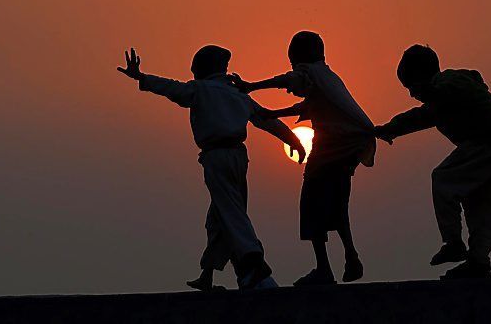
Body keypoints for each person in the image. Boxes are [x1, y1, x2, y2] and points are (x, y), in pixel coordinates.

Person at [116, 45, 306, 291]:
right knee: (218, 217)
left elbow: (171, 88)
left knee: (231, 212)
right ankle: (210, 274)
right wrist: (294, 141)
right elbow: (265, 119)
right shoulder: (237, 94)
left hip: (217, 157)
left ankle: (254, 263)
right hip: (238, 157)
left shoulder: (200, 90)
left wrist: (141, 78)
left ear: (202, 68)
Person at [233, 31, 375, 286]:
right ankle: (350, 255)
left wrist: (251, 86)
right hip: (350, 147)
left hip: (331, 148)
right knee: (338, 203)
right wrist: (272, 112)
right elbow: (308, 106)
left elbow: (291, 81)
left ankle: (324, 268)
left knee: (311, 204)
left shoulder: (309, 72)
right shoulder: (328, 77)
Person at [374, 45, 491, 280]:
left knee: (443, 178)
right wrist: (390, 129)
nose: (412, 93)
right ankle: (478, 261)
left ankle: (453, 242)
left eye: (411, 86)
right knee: (480, 203)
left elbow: (445, 93)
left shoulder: (450, 82)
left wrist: (430, 91)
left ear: (423, 75)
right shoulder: (440, 100)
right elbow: (420, 117)